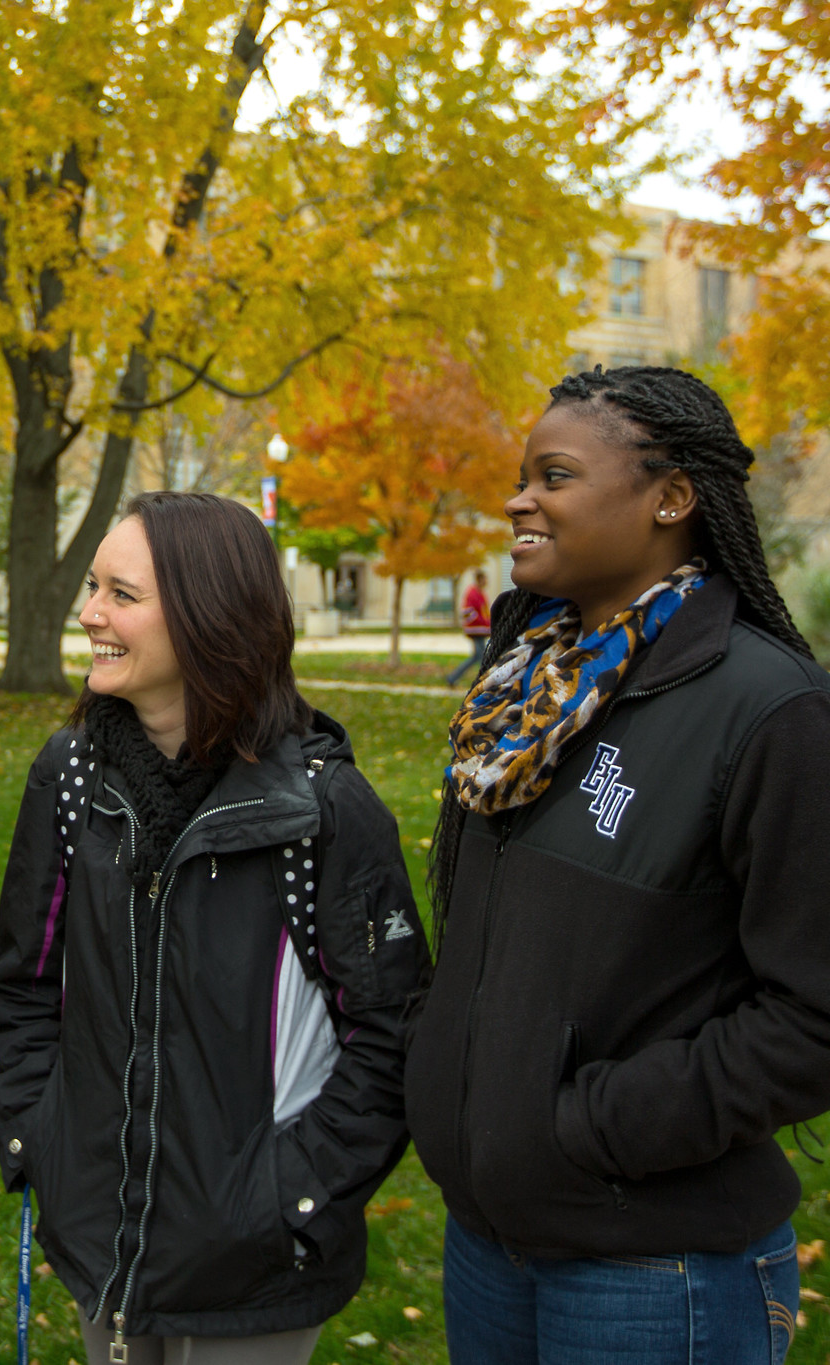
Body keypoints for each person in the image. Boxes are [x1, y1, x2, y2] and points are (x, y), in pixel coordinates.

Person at [408, 365, 827, 1364]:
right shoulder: (519, 696)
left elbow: (811, 1018)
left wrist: (586, 1129)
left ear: (670, 499)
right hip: (487, 1244)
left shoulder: (768, 712)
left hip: (654, 1267)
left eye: (551, 476)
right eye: (520, 476)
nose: (518, 499)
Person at [0, 491, 429, 1365]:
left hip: (256, 1270)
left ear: (209, 615)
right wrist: (45, 1139)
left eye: (123, 594)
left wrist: (292, 1196)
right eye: (93, 587)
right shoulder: (72, 777)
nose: (91, 613)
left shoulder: (323, 807)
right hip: (102, 1238)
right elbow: (23, 982)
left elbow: (394, 1034)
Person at [446, 569, 493, 686]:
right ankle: (486, 681)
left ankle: (453, 678)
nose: (486, 582)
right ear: (479, 580)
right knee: (482, 657)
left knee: (477, 656)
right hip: (475, 630)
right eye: (484, 579)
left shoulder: (480, 593)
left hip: (480, 630)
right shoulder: (472, 593)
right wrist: (483, 622)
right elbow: (468, 612)